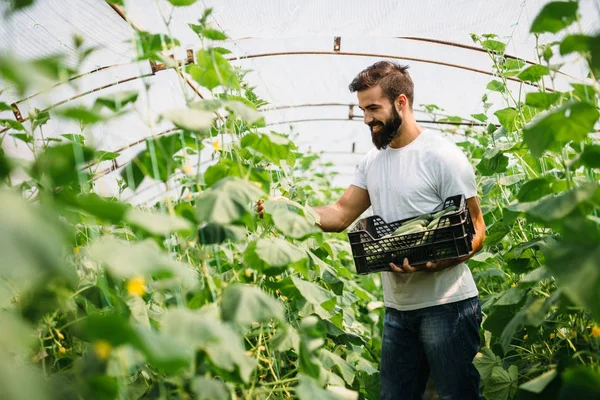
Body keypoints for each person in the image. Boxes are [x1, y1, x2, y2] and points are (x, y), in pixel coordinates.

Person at [259, 61, 486, 399]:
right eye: (363, 109)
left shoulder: (441, 157)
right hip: (398, 310)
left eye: (373, 108)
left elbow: (478, 230)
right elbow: (339, 214)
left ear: (401, 103)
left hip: (448, 305)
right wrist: (290, 209)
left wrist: (436, 262)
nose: (367, 119)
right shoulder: (372, 162)